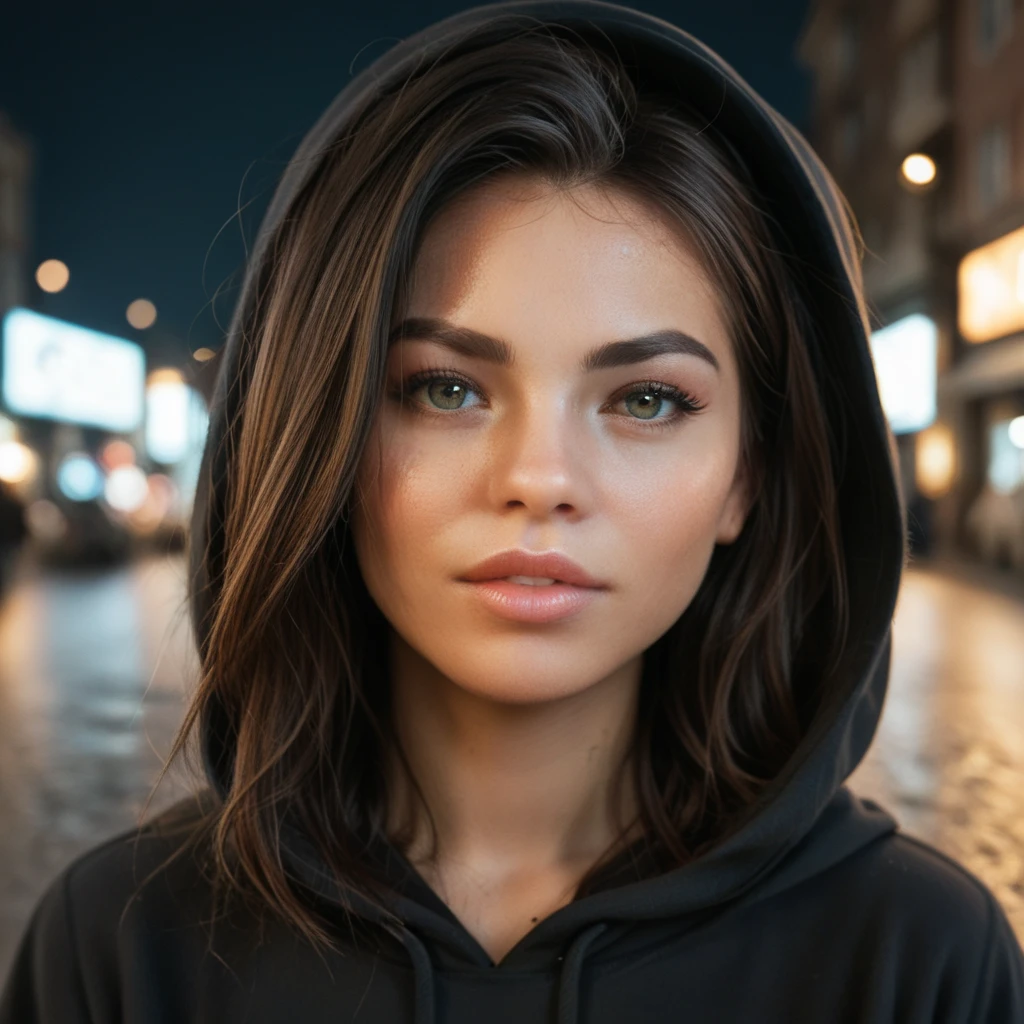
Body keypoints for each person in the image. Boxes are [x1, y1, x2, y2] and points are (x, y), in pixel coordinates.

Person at [2, 3, 1023, 1021]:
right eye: (444, 388)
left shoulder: (918, 961)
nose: (539, 478)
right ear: (322, 434)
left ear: (747, 477)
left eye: (645, 399)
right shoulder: (124, 950)